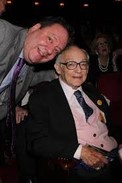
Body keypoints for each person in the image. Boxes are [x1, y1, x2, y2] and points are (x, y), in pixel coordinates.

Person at [26, 45, 122, 183]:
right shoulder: (43, 97)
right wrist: (79, 152)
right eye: (71, 64)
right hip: (84, 168)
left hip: (114, 155)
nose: (79, 70)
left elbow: (110, 125)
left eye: (83, 64)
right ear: (58, 68)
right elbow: (36, 143)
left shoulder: (92, 92)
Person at [0, 16, 74, 166]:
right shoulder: (4, 33)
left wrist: (74, 70)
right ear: (34, 28)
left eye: (56, 51)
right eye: (50, 39)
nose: (49, 51)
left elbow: (48, 75)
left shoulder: (28, 69)